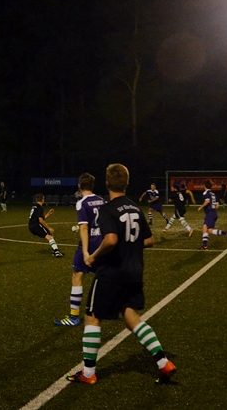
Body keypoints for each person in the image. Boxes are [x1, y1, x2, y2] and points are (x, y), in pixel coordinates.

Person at [66, 163, 176, 385]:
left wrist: (92, 256)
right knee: (130, 315)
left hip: (112, 271)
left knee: (92, 316)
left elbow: (111, 240)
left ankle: (88, 373)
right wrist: (130, 245)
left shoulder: (108, 209)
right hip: (134, 270)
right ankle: (164, 363)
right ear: (127, 183)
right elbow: (149, 240)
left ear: (107, 183)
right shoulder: (134, 208)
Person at [55, 172, 104, 327]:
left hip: (89, 244)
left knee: (77, 274)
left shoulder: (81, 202)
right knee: (105, 276)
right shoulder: (101, 200)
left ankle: (74, 316)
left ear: (79, 186)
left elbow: (84, 228)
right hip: (102, 243)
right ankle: (121, 307)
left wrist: (85, 251)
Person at [196, 180, 227, 250]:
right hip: (214, 213)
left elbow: (207, 201)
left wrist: (200, 207)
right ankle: (226, 233)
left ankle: (204, 246)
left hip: (210, 213)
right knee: (209, 230)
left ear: (204, 186)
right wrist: (212, 209)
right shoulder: (213, 194)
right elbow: (217, 205)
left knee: (204, 227)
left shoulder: (206, 193)